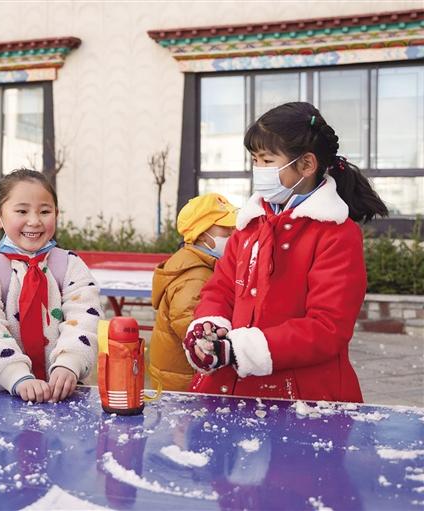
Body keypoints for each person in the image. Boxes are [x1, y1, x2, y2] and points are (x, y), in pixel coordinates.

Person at [182, 102, 388, 403]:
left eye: (267, 160)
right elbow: (221, 288)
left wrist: (240, 350)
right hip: (229, 389)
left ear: (307, 165)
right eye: (254, 160)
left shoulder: (336, 234)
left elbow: (327, 327)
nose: (258, 169)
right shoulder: (251, 223)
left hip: (302, 399)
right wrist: (208, 328)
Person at [0, 168, 102, 403]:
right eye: (22, 211)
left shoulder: (70, 265)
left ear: (56, 214)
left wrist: (69, 363)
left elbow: (86, 317)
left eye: (45, 211)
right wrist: (15, 375)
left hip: (60, 392)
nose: (34, 221)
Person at [148, 193, 237, 392]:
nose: (233, 231)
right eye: (225, 226)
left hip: (180, 377)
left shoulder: (197, 264)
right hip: (184, 385)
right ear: (202, 234)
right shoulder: (195, 279)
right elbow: (200, 339)